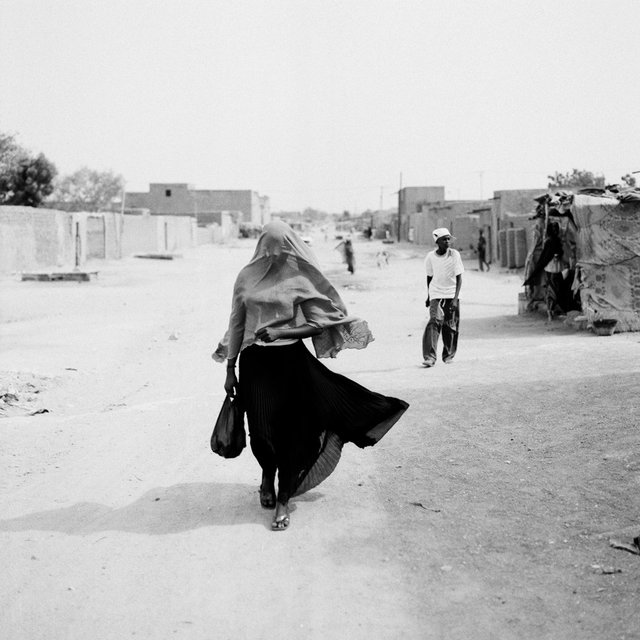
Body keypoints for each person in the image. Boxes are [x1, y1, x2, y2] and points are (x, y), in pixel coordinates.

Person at [213, 221, 409, 531]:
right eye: (269, 247)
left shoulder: (300, 276)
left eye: (280, 247)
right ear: (262, 245)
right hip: (255, 365)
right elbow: (237, 324)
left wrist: (282, 330)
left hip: (292, 363)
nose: (274, 253)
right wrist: (229, 368)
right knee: (261, 434)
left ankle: (283, 499)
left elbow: (320, 324)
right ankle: (267, 475)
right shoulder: (246, 278)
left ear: (289, 246)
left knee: (294, 434)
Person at [422, 228, 464, 367]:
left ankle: (448, 355)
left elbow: (459, 278)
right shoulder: (430, 257)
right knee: (434, 322)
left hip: (451, 293)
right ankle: (430, 357)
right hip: (436, 293)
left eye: (448, 239)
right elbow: (429, 277)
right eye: (444, 239)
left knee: (450, 325)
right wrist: (429, 296)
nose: (447, 241)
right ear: (437, 242)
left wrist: (455, 299)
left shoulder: (454, 255)